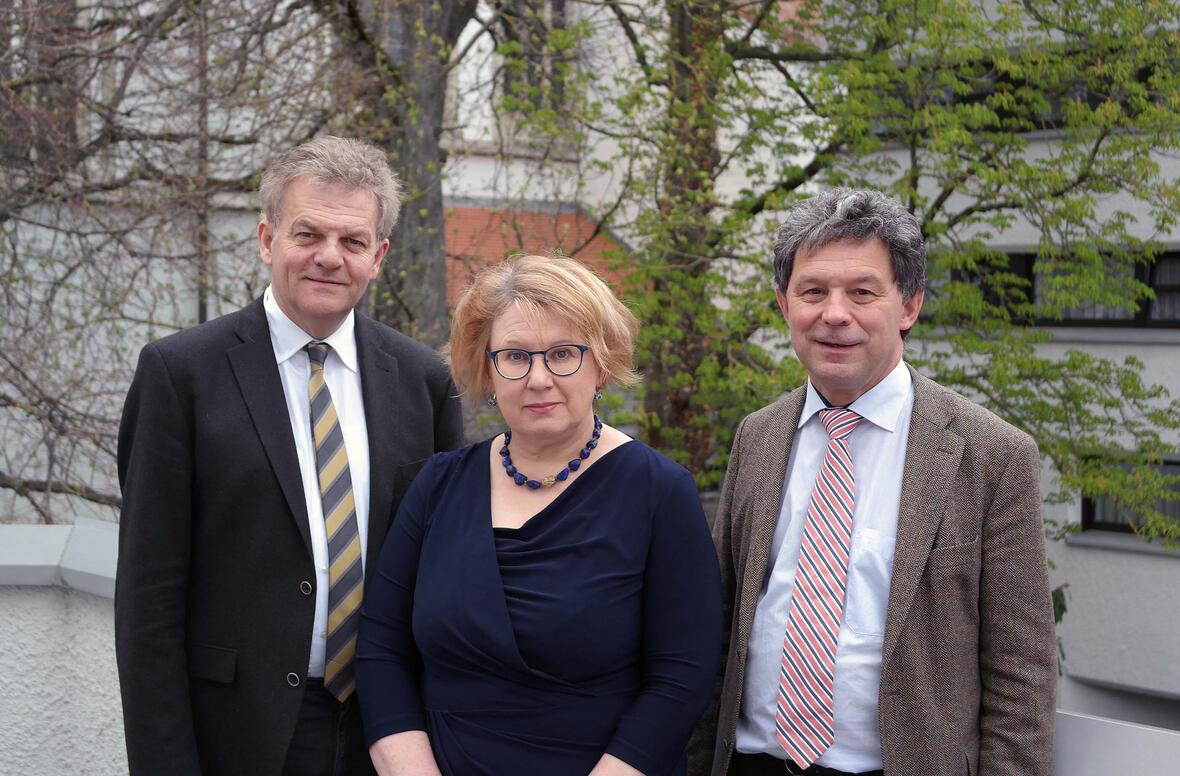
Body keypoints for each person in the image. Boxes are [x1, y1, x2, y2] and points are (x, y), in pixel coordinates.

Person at [115, 136, 465, 776]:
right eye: (308, 234)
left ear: (379, 256)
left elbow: (447, 576)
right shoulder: (181, 375)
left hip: (392, 733)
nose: (329, 257)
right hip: (238, 735)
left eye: (352, 241)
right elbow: (148, 598)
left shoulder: (423, 382)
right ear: (266, 239)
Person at [692, 188, 1056, 776]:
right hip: (751, 761)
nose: (835, 314)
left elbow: (1023, 675)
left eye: (862, 292)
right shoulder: (756, 437)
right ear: (785, 304)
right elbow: (716, 626)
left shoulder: (992, 455)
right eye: (813, 292)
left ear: (908, 305)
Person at [355, 254, 723, 776]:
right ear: (487, 369)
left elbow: (680, 680)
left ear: (601, 362)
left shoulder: (660, 492)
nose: (539, 378)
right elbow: (381, 652)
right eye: (516, 357)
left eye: (563, 354)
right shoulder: (437, 485)